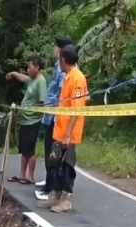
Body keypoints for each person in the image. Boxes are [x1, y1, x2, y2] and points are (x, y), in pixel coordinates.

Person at [38, 44, 88, 213]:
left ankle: (66, 199)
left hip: (69, 134)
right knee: (53, 163)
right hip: (60, 131)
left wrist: (68, 134)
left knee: (67, 167)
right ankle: (56, 194)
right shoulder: (67, 76)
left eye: (60, 59)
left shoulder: (78, 79)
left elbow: (77, 109)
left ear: (64, 60)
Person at [36, 37, 74, 202]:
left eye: (55, 47)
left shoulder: (62, 69)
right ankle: (51, 183)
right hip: (52, 116)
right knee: (53, 155)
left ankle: (50, 188)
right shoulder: (61, 67)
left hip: (55, 117)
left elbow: (62, 94)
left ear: (59, 50)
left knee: (52, 154)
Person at [6, 56, 47, 184]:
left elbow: (43, 103)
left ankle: (30, 176)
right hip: (25, 120)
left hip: (32, 121)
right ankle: (21, 175)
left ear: (37, 68)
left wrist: (33, 112)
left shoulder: (41, 82)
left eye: (30, 67)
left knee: (30, 149)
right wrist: (13, 74)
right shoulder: (32, 80)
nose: (28, 69)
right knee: (24, 149)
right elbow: (23, 78)